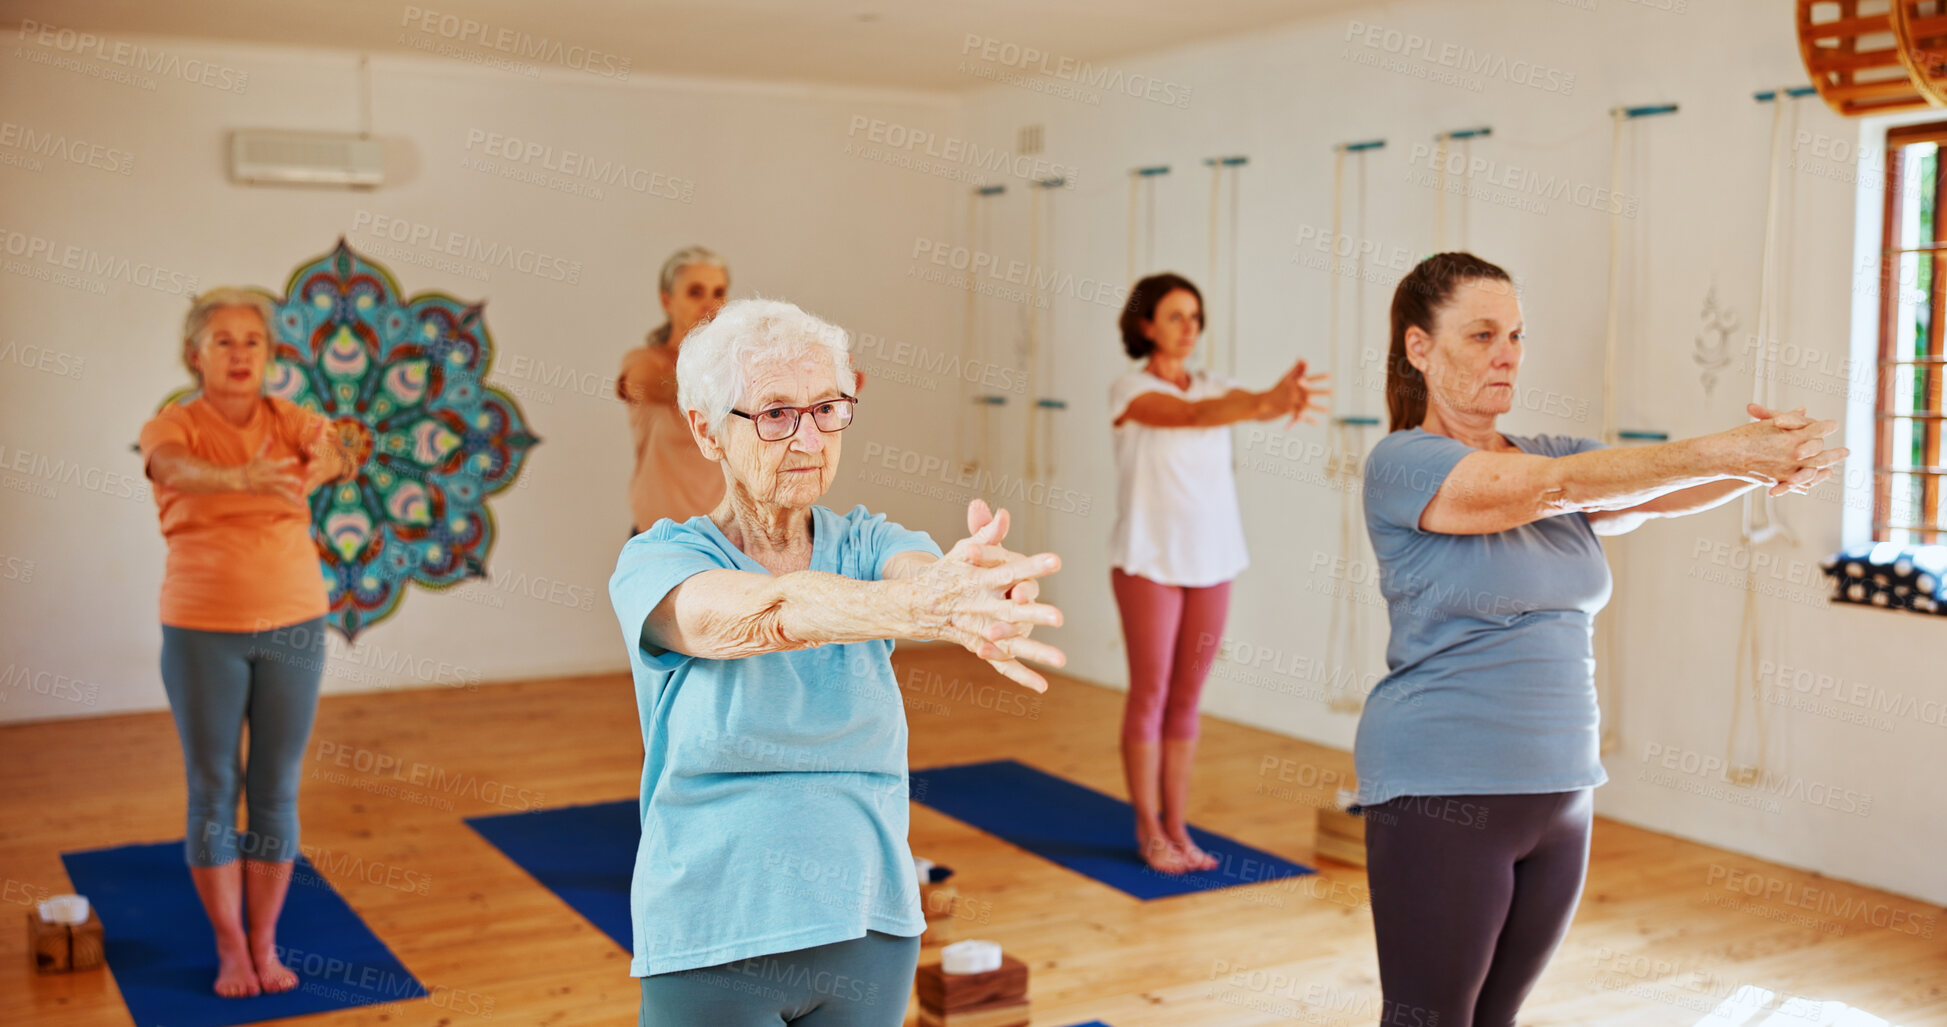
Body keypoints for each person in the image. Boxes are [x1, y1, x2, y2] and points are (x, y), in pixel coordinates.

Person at [1357, 252, 1846, 1027]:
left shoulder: (1549, 452)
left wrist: (1767, 466)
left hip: (1560, 791)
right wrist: (1727, 450)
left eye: (1515, 333)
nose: (1506, 353)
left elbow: (1651, 488)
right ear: (1419, 348)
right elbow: (1559, 490)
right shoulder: (1403, 464)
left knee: (1496, 1019)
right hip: (1445, 786)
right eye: (1481, 334)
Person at [609, 298, 1065, 1026]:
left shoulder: (867, 543)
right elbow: (772, 612)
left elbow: (919, 571)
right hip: (712, 931)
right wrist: (915, 610)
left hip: (869, 926)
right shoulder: (658, 561)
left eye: (827, 408)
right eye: (775, 413)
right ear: (705, 429)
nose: (808, 437)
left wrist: (975, 586)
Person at [138, 287, 362, 997]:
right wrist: (241, 476)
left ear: (269, 355)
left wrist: (327, 460)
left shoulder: (288, 419)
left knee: (275, 791)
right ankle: (230, 947)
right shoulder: (169, 426)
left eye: (252, 341)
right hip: (202, 626)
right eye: (223, 340)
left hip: (294, 622)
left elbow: (337, 451)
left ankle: (265, 941)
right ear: (193, 353)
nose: (239, 354)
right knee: (212, 788)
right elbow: (173, 469)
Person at [1108, 273, 1329, 873]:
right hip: (1148, 561)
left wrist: (1269, 402)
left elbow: (1224, 404)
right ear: (1147, 324)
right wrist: (1262, 402)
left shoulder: (1218, 386)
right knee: (1150, 694)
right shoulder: (1130, 389)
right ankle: (1147, 826)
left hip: (1213, 562)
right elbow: (1191, 415)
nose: (1189, 328)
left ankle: (1178, 825)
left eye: (1196, 317)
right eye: (1176, 316)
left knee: (1188, 698)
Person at [618, 245, 731, 535]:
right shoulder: (645, 362)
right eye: (695, 292)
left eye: (718, 293)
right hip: (658, 541)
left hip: (725, 542)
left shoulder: (732, 368)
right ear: (667, 301)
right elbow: (652, 387)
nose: (710, 303)